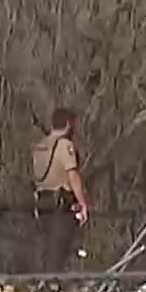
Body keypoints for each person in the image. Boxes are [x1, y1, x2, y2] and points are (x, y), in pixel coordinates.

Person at [31, 107, 89, 268]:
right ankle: (52, 288)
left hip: (43, 204)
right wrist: (82, 203)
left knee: (46, 250)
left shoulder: (40, 145)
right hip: (61, 205)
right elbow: (72, 175)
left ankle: (43, 285)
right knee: (58, 254)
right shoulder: (64, 145)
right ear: (68, 124)